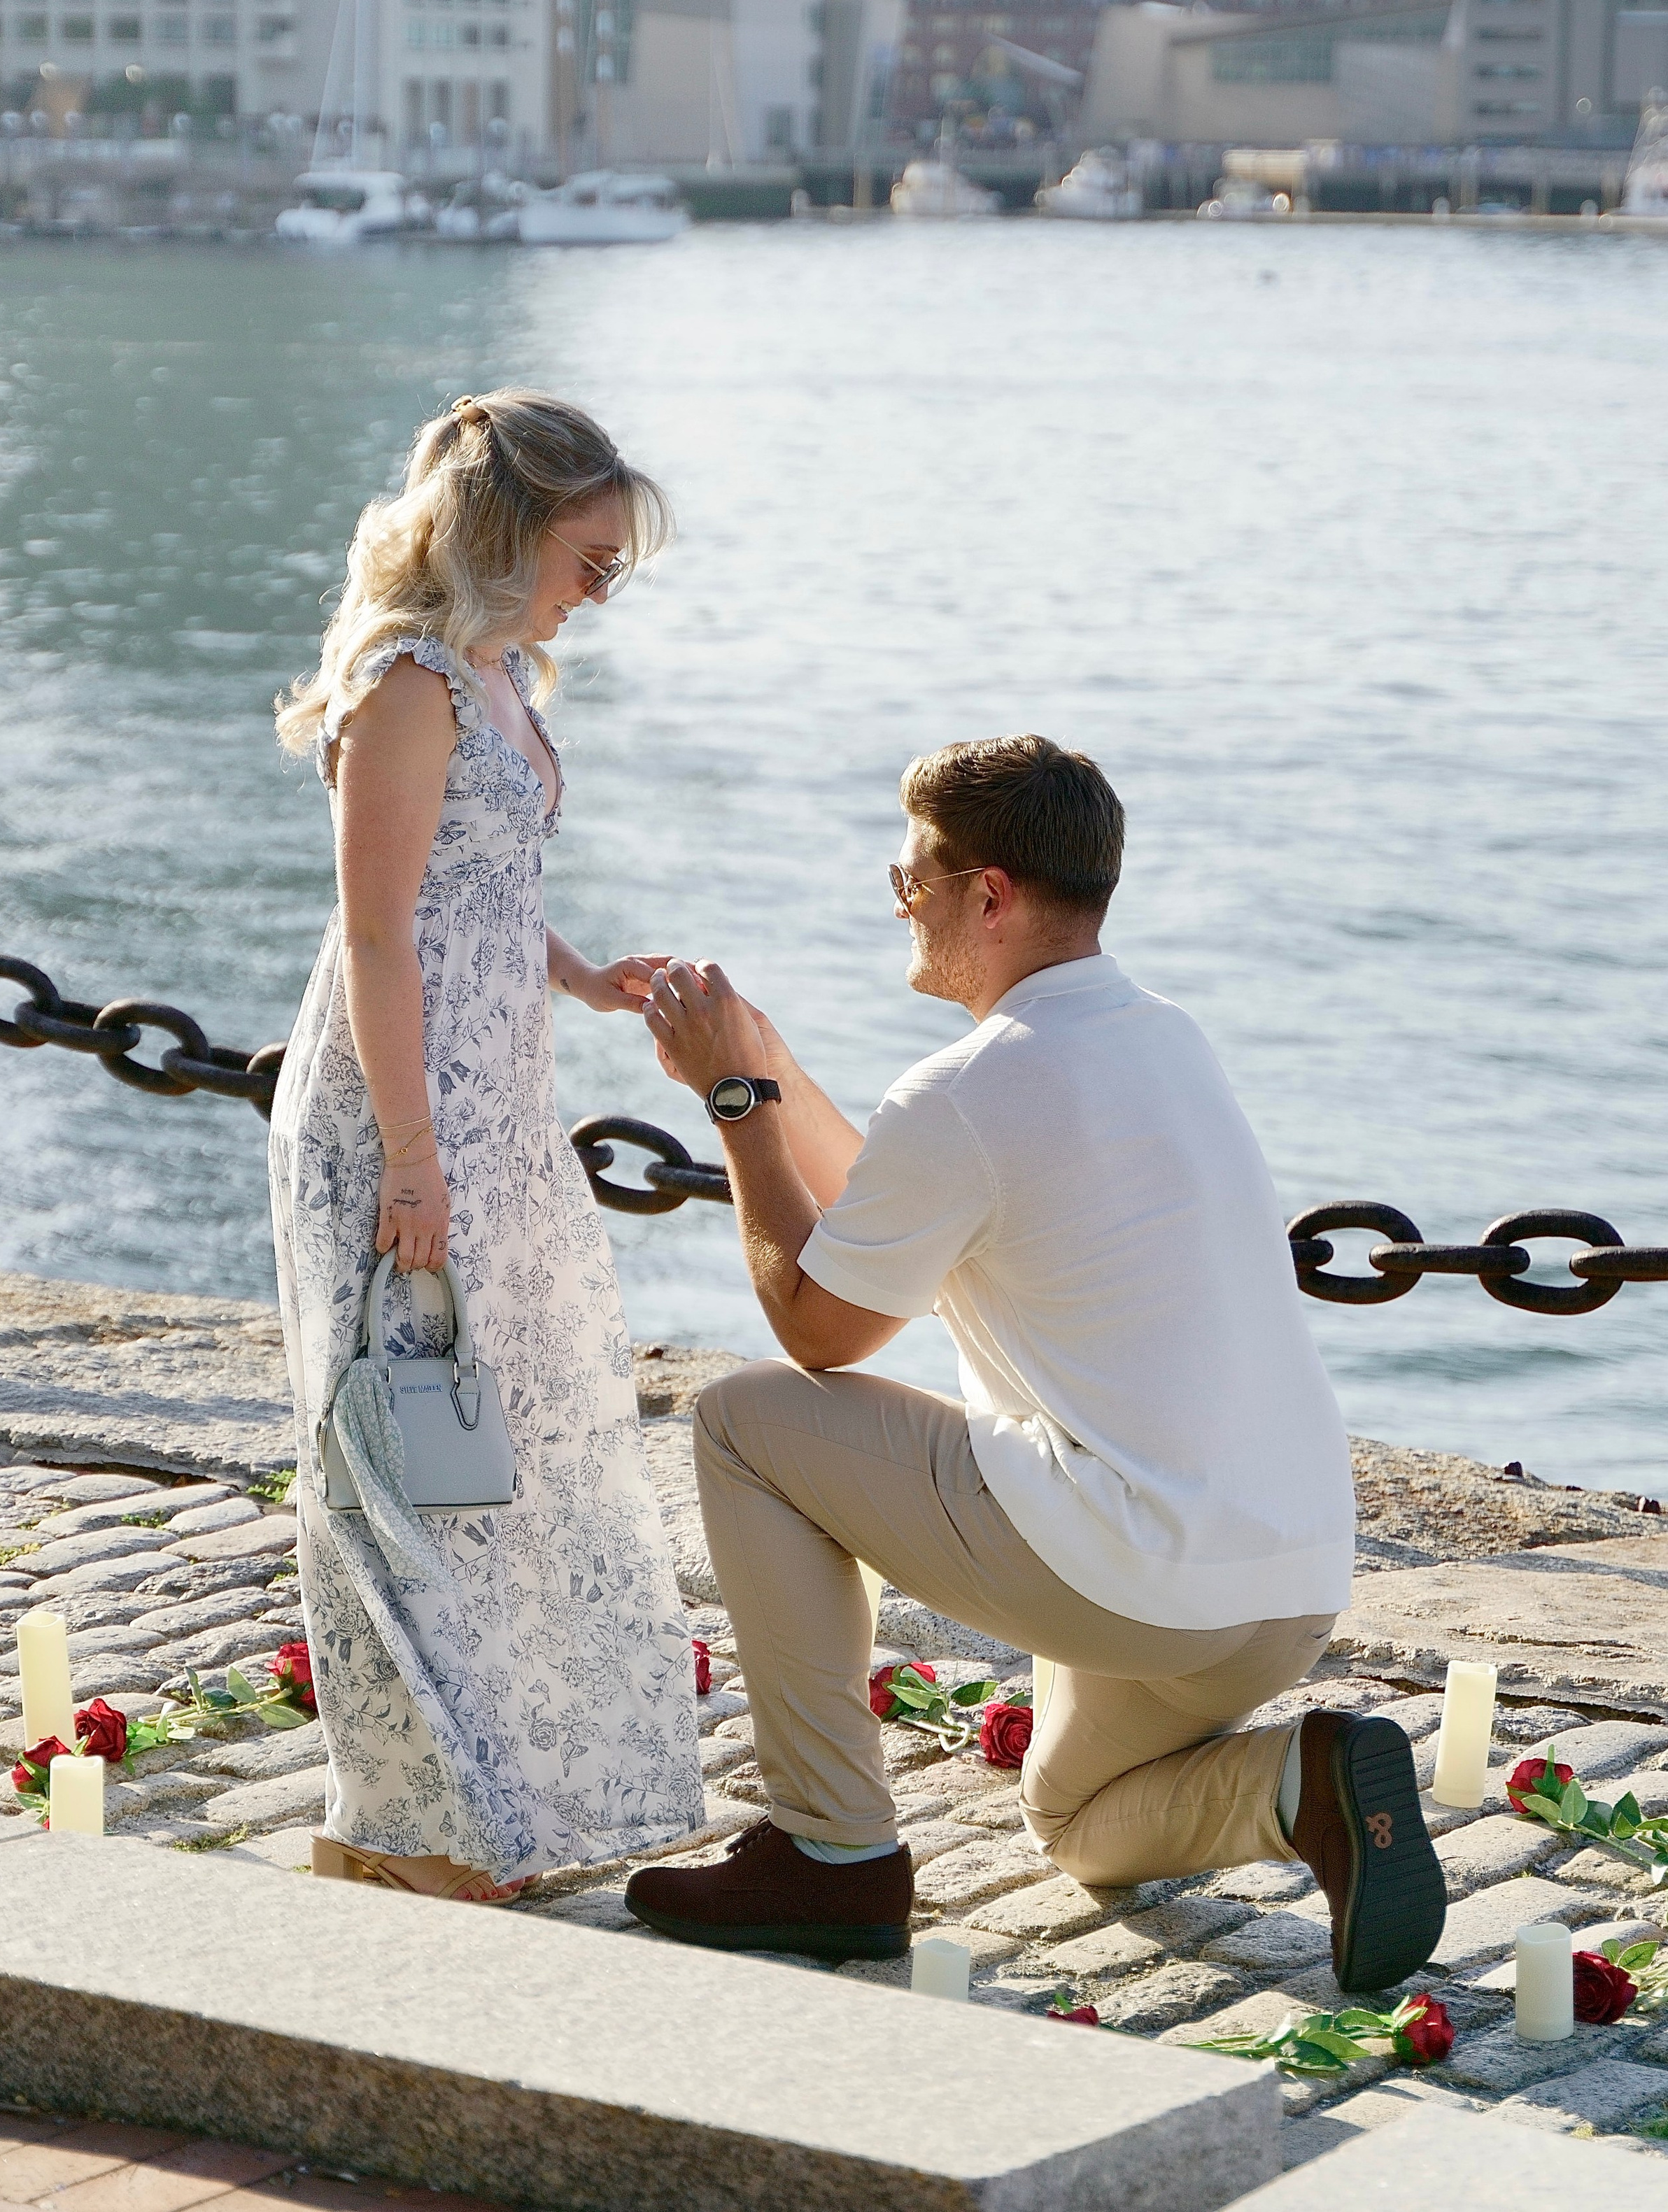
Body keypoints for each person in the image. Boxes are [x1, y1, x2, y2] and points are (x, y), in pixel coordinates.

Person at [626, 735, 1446, 1992]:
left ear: (988, 892)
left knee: (746, 1419)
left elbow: (818, 1326)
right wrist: (775, 1068)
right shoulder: (1164, 1036)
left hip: (1136, 1575)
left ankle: (830, 1850)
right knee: (1073, 1819)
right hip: (1284, 1583)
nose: (899, 901)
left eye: (911, 880)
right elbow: (889, 1218)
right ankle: (1304, 1782)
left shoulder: (971, 1089)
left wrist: (735, 1107)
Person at [269, 390, 704, 1903]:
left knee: (492, 1454)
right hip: (399, 1107)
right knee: (404, 1458)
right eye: (593, 551)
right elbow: (379, 930)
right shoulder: (405, 684)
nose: (607, 582)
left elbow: (483, 882)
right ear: (510, 529)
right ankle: (409, 1827)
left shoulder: (500, 669)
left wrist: (582, 976)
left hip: (495, 1103)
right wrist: (409, 1157)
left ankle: (442, 1818)